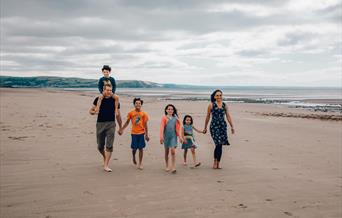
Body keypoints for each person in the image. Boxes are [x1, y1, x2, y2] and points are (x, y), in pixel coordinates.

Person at [89, 83, 122, 172]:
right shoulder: (98, 99)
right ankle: (104, 156)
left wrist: (120, 127)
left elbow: (118, 115)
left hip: (111, 124)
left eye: (111, 90)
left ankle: (106, 165)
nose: (109, 92)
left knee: (109, 145)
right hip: (100, 124)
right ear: (103, 90)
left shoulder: (115, 100)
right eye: (107, 90)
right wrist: (93, 112)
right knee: (100, 146)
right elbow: (91, 110)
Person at [203, 90, 235, 169]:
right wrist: (205, 127)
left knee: (220, 145)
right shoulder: (211, 105)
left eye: (220, 95)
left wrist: (232, 126)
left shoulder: (225, 105)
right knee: (218, 143)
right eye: (217, 95)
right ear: (214, 96)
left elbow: (228, 116)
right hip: (214, 126)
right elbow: (207, 117)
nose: (219, 97)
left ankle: (218, 163)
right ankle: (215, 161)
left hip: (222, 126)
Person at [119, 98, 150, 170]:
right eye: (136, 103)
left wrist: (146, 135)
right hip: (134, 133)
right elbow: (127, 122)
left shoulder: (144, 114)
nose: (138, 104)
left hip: (141, 133)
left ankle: (140, 163)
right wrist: (122, 129)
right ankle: (133, 156)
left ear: (141, 105)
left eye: (139, 103)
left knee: (141, 148)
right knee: (134, 148)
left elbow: (145, 125)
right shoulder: (131, 113)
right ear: (134, 104)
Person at [160, 104, 184, 174]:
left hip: (173, 136)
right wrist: (161, 137)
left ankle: (173, 167)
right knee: (166, 152)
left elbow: (178, 128)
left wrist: (180, 137)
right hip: (166, 137)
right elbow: (161, 128)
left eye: (172, 109)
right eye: (169, 109)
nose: (170, 110)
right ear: (166, 110)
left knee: (173, 151)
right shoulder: (164, 118)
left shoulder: (175, 118)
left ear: (173, 111)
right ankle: (167, 165)